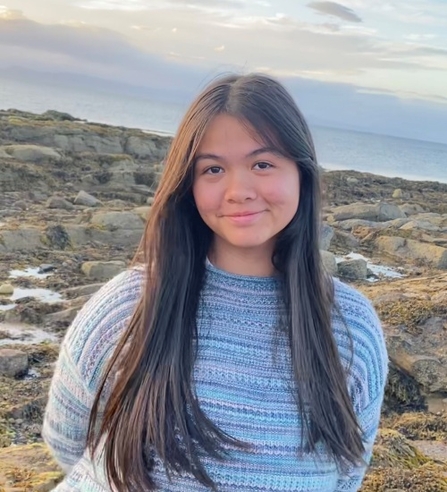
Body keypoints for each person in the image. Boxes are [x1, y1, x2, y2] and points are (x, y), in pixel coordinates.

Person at [42, 73, 388, 492]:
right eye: (213, 169)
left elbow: (348, 470)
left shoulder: (349, 326)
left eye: (263, 164)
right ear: (188, 185)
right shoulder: (127, 306)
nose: (238, 190)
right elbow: (70, 442)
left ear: (302, 173)